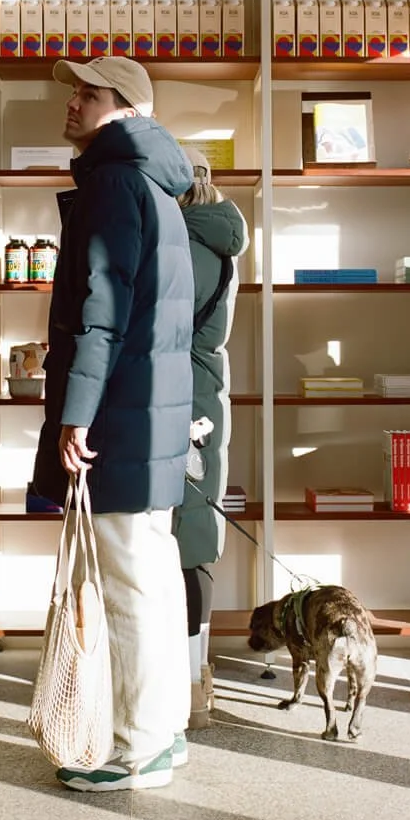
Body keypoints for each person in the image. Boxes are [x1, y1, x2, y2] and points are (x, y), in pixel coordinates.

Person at [29, 55, 194, 792]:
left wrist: (75, 415)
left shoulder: (114, 182)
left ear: (122, 107)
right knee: (151, 580)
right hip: (147, 410)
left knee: (128, 589)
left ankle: (137, 747)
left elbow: (101, 311)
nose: (70, 103)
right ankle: (166, 732)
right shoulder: (151, 182)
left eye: (86, 94)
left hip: (118, 415)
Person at [174, 146, 248, 730]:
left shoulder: (194, 242)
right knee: (192, 534)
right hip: (200, 396)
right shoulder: (211, 233)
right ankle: (191, 675)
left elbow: (168, 328)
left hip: (188, 401)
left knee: (190, 539)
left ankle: (191, 682)